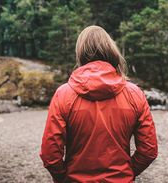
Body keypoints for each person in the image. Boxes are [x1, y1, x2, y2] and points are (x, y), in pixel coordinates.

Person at [40, 25, 158, 183]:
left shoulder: (63, 94)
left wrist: (64, 178)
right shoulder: (134, 94)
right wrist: (128, 172)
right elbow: (148, 150)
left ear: (80, 52)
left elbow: (50, 155)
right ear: (110, 49)